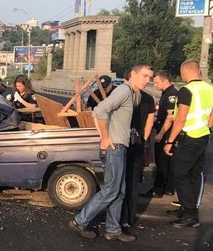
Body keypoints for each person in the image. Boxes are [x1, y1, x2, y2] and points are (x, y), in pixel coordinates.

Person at [69, 63, 153, 243]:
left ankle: (113, 229)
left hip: (120, 147)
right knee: (110, 190)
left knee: (119, 191)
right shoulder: (123, 90)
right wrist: (105, 137)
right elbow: (100, 110)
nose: (148, 80)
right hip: (114, 147)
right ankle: (80, 221)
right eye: (145, 76)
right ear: (133, 74)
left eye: (150, 77)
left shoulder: (132, 93)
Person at [164, 60, 213, 228]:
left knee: (180, 173)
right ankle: (187, 209)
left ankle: (190, 215)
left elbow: (181, 118)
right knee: (193, 173)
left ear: (184, 72)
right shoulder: (210, 88)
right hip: (203, 136)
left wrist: (170, 141)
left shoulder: (186, 90)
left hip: (189, 137)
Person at [121, 82, 155, 227]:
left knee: (119, 181)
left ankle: (119, 217)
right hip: (138, 142)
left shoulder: (123, 96)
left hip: (122, 141)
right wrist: (143, 140)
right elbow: (150, 123)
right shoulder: (149, 98)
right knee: (133, 183)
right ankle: (131, 218)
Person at [147, 70, 178, 197]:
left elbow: (170, 117)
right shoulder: (168, 93)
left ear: (165, 81)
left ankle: (158, 189)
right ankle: (168, 188)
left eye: (157, 82)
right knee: (167, 161)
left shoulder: (171, 95)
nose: (155, 85)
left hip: (166, 133)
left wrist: (160, 134)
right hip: (165, 131)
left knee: (162, 161)